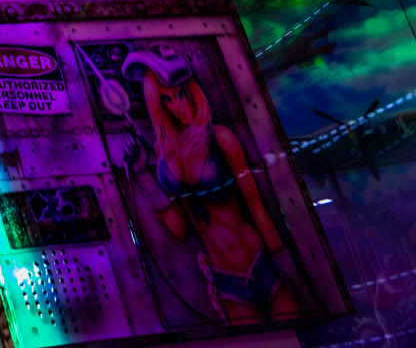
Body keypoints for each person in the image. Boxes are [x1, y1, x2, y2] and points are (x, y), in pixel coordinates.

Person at [121, 48, 307, 323]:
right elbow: (180, 228)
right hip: (225, 279)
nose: (177, 106)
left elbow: (257, 210)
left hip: (260, 262)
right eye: (166, 100)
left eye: (180, 94)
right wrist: (143, 175)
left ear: (192, 91)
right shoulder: (164, 155)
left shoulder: (220, 137)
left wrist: (288, 268)